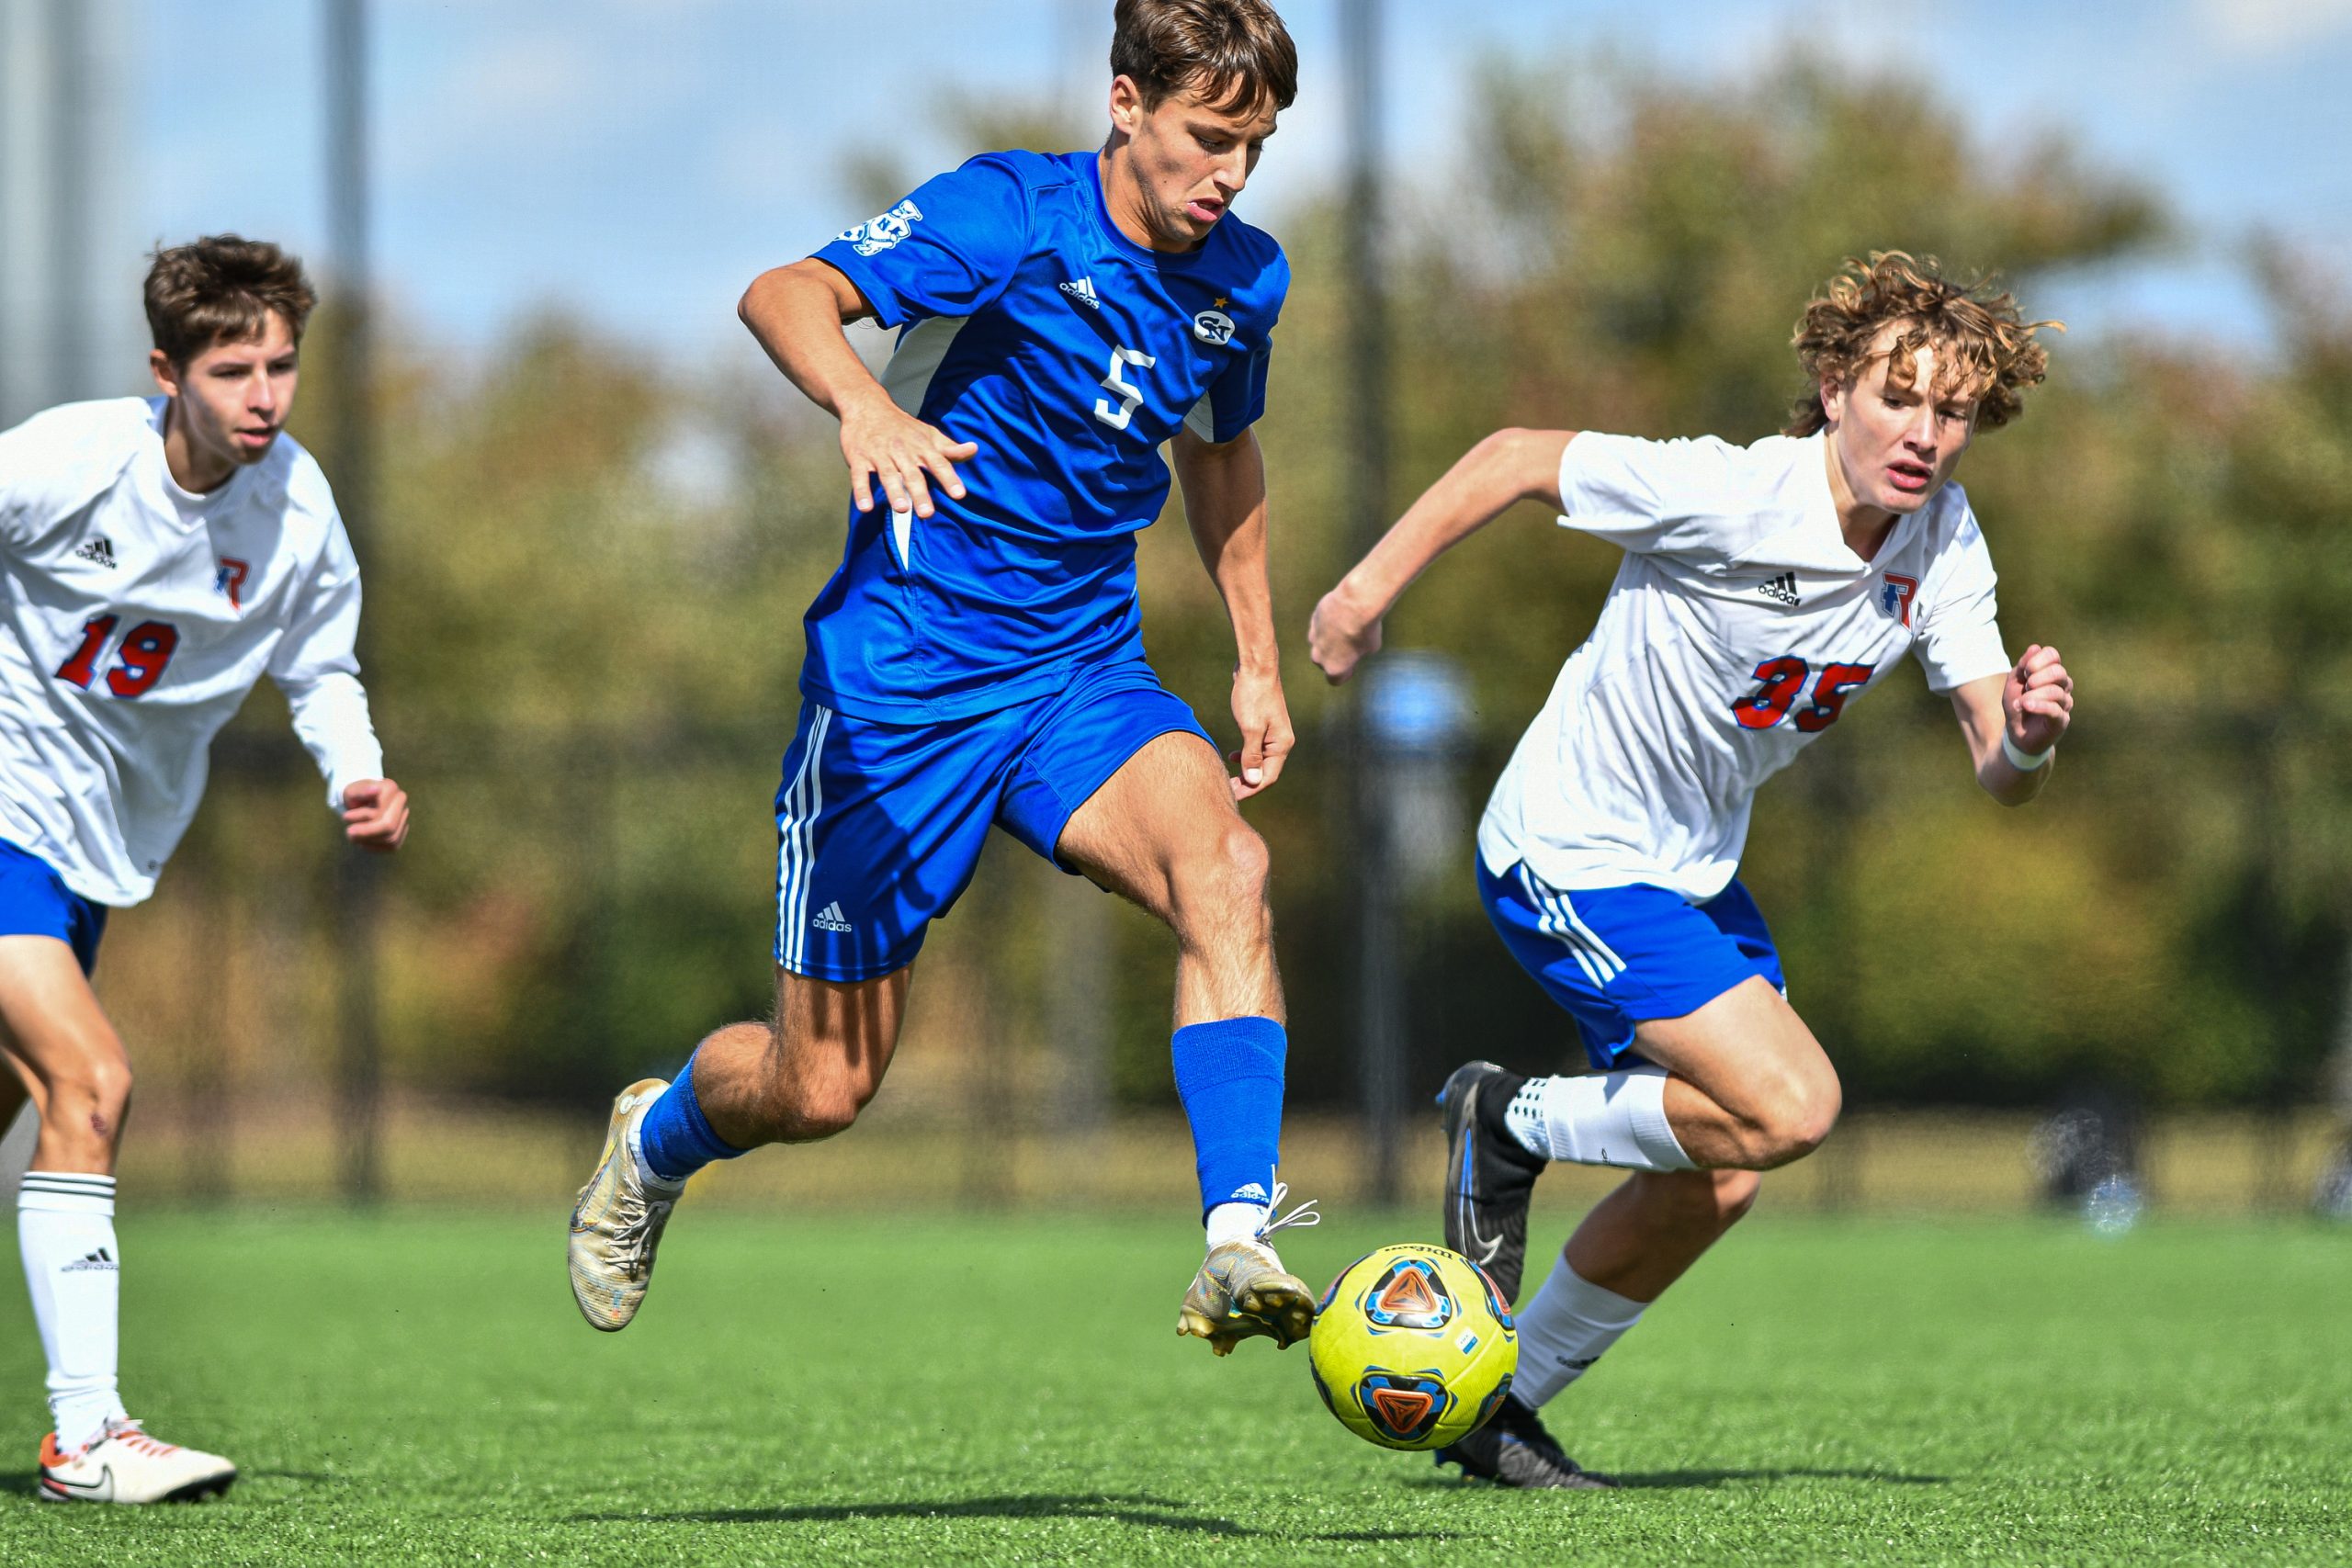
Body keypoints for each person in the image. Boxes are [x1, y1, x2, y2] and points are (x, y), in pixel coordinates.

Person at [569, 0, 1318, 1354]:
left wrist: (1257, 659)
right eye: (1211, 138)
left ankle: (1235, 1238)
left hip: (1081, 675)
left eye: (1255, 148)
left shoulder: (1242, 280)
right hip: (902, 688)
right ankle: (658, 1135)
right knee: (820, 1088)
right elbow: (782, 293)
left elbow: (1220, 450)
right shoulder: (1009, 215)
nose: (1232, 174)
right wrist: (864, 406)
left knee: (1229, 869)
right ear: (1126, 102)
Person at [1308, 253, 2073, 1487]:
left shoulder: (1945, 542)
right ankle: (1507, 1118)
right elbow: (1512, 456)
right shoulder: (1732, 492)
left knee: (1717, 1179)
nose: (1924, 434)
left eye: (1953, 411)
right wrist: (1359, 596)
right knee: (1794, 1109)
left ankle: (1498, 1411)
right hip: (1569, 849)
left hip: (1691, 874)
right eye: (1899, 397)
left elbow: (2000, 764)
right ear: (1835, 386)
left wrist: (2028, 738)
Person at [0, 235, 410, 1504]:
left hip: (96, 846)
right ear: (166, 372)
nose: (264, 396)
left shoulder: (295, 508)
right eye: (233, 370)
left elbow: (321, 666)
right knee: (91, 1080)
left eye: (281, 366)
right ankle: (86, 1438)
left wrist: (357, 771)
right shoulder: (71, 462)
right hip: (6, 807)